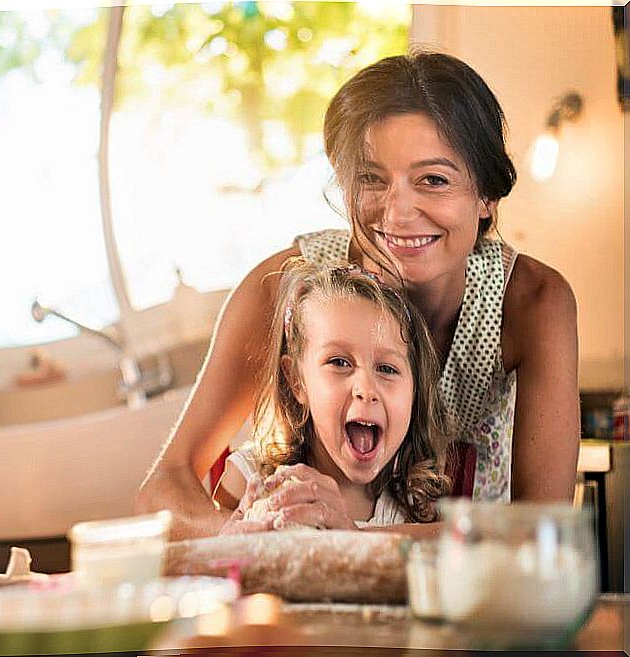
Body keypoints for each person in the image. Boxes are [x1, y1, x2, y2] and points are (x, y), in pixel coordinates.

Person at [136, 49, 580, 540]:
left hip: (468, 596)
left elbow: (540, 532)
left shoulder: (533, 301)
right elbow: (163, 488)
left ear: (486, 198)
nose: (398, 213)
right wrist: (240, 537)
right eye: (371, 178)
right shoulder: (287, 285)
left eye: (433, 180)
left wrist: (345, 539)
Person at [217, 261, 451, 532]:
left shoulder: (418, 503)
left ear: (414, 390)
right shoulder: (249, 477)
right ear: (297, 381)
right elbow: (210, 566)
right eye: (339, 362)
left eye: (387, 369)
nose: (366, 389)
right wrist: (229, 542)